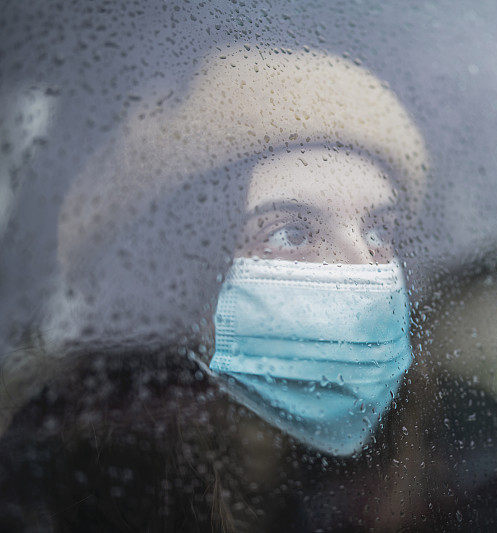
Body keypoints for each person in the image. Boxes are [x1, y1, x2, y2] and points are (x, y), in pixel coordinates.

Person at [0, 46, 430, 529]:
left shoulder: (461, 464)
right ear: (182, 277)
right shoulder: (41, 489)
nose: (362, 266)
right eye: (291, 233)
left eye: (379, 232)